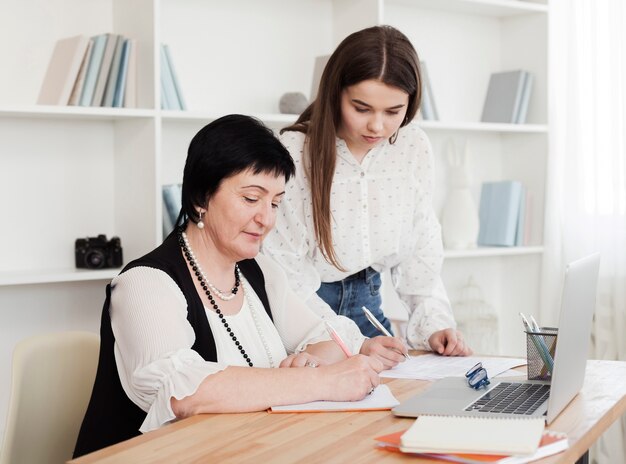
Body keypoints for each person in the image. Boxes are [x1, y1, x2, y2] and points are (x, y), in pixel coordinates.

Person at [73, 115, 405, 458]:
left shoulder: (258, 271)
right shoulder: (144, 284)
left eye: (275, 202)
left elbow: (330, 335)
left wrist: (308, 363)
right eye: (251, 198)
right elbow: (186, 393)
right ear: (202, 197)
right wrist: (320, 382)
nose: (267, 219)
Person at [262, 25, 472, 356]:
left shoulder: (412, 145)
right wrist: (351, 343)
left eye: (393, 111)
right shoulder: (294, 150)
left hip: (369, 310)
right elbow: (284, 270)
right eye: (361, 108)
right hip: (305, 314)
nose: (377, 126)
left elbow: (420, 249)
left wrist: (435, 324)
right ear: (335, 94)